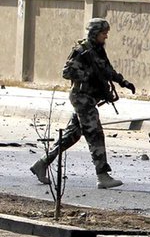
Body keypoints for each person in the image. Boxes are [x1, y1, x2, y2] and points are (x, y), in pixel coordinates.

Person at [29, 18, 135, 189]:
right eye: (103, 33)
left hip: (90, 98)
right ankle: (102, 176)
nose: (106, 37)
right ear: (94, 33)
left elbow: (107, 70)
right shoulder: (81, 51)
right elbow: (67, 72)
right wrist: (88, 76)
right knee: (95, 134)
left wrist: (123, 82)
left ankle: (42, 163)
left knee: (72, 135)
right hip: (81, 97)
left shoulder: (98, 51)